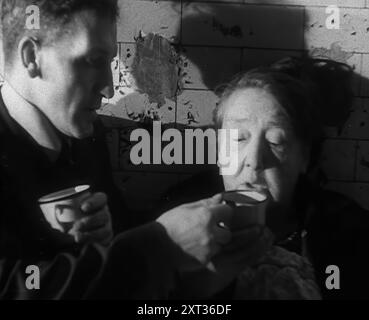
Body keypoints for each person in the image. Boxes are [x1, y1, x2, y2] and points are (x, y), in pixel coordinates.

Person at [0, 0, 272, 299]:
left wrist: (197, 285)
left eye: (110, 63)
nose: (110, 88)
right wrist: (160, 247)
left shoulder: (84, 133)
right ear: (31, 57)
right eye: (93, 60)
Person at [161, 57, 369, 299]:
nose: (254, 160)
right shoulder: (174, 220)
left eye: (275, 141)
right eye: (239, 138)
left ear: (305, 157)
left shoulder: (347, 232)